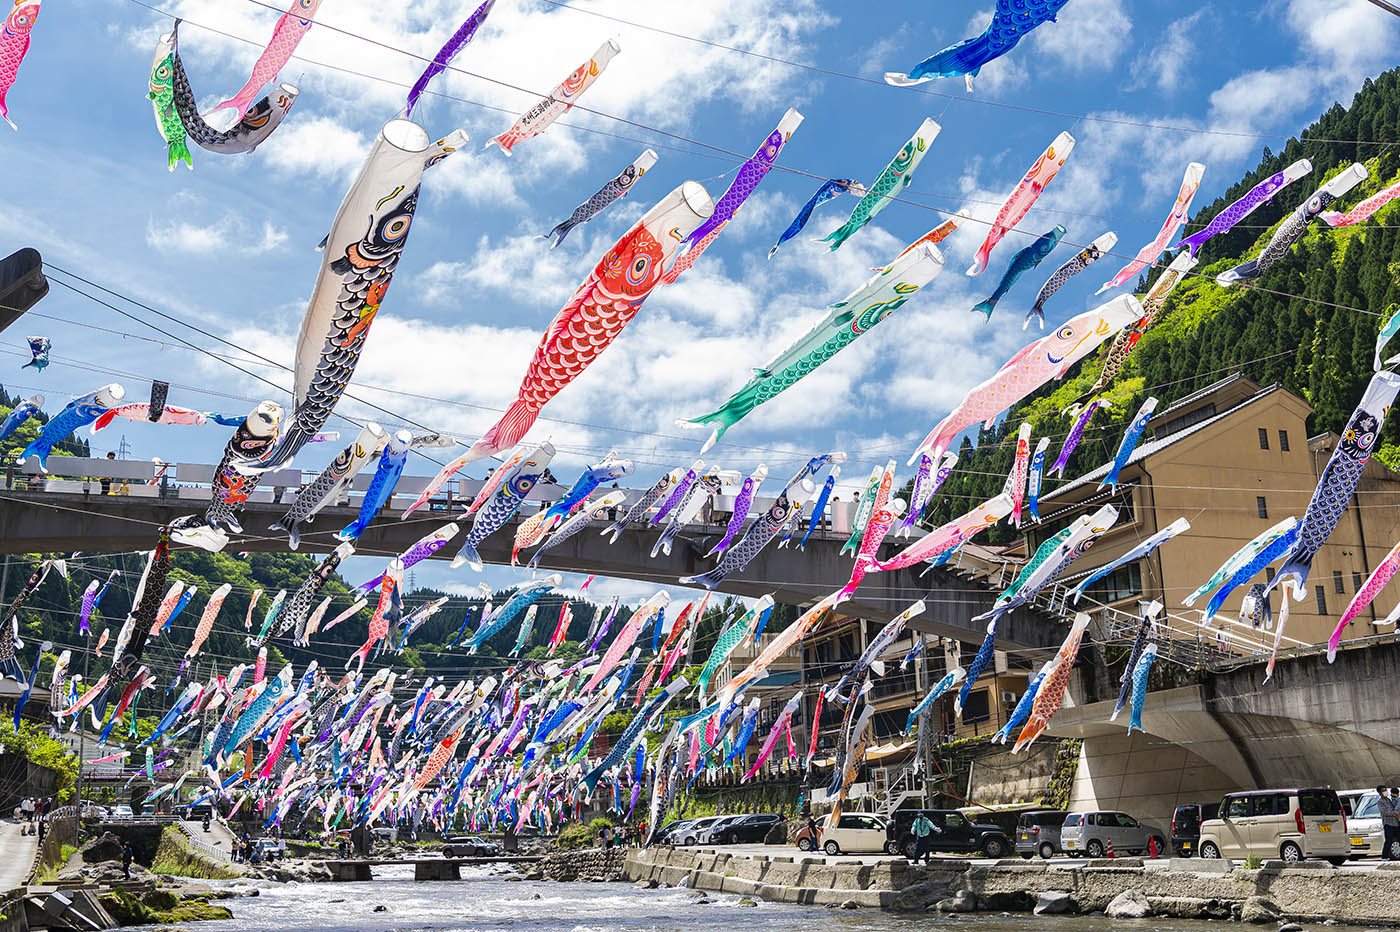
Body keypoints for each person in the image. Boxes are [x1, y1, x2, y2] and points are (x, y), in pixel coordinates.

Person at [1380, 786, 1398, 860]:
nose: (1385, 792)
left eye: (1385, 790)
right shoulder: (1380, 802)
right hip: (1388, 824)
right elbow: (1385, 812)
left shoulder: (1389, 800)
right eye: (1383, 791)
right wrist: (1396, 813)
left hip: (1396, 824)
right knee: (1388, 840)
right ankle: (1384, 856)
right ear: (1379, 793)